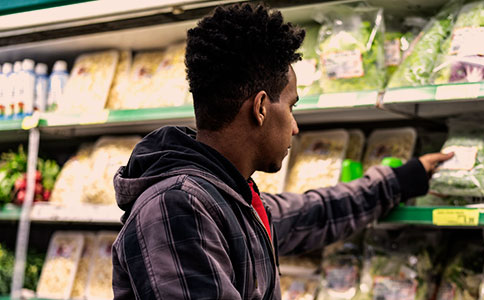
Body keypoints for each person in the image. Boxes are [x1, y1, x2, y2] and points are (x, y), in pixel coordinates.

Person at [111, 2, 453, 300]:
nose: (294, 126)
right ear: (261, 107)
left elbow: (312, 213)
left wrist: (404, 178)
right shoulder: (176, 207)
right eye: (291, 107)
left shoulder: (229, 196)